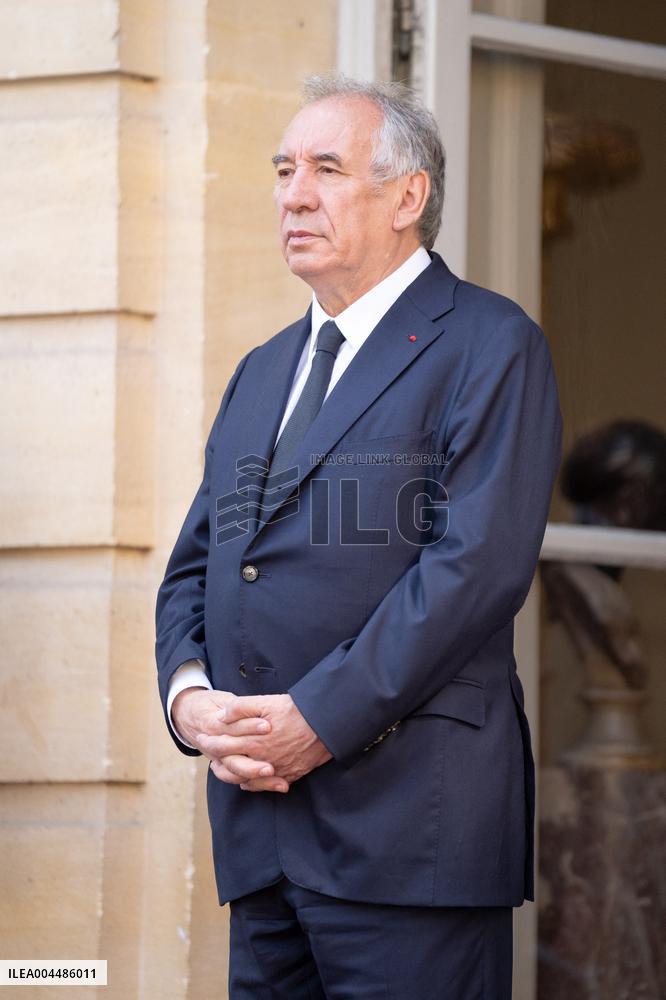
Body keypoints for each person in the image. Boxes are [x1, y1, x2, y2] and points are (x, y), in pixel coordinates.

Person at [155, 74, 562, 999]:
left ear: (407, 196)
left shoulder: (491, 342)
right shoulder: (263, 368)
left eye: (326, 170)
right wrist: (190, 699)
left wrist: (318, 721)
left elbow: (475, 569)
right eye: (284, 170)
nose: (293, 196)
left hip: (411, 836)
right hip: (260, 836)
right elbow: (199, 568)